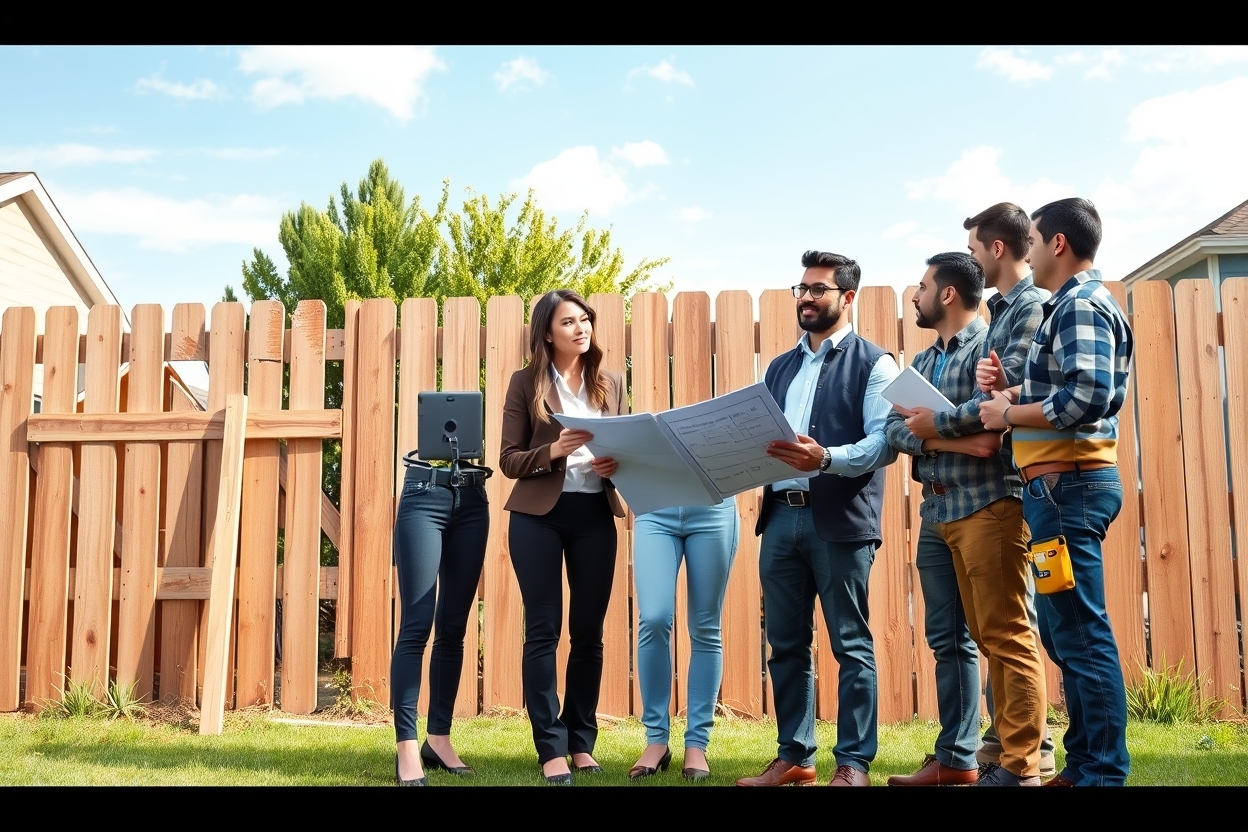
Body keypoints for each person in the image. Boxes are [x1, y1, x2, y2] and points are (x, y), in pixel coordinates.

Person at [979, 198, 1134, 787]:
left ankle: (1102, 771)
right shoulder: (1069, 308)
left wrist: (1006, 413)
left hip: (1069, 489)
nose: (1031, 249)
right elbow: (1067, 389)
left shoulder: (1080, 306)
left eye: (1036, 239)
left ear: (1058, 245)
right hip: (1058, 490)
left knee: (1079, 630)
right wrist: (1010, 390)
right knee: (1064, 628)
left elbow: (1085, 399)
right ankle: (1084, 763)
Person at [736, 250, 899, 788]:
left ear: (847, 297)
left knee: (850, 643)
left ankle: (853, 763)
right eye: (801, 289)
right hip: (780, 518)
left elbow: (884, 443)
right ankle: (795, 756)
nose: (806, 297)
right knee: (785, 643)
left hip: (841, 520)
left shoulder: (876, 363)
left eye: (818, 290)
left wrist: (825, 458)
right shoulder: (777, 367)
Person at [885, 252, 1046, 787]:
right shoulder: (927, 362)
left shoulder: (990, 349)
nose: (915, 295)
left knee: (1004, 633)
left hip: (988, 507)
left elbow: (990, 434)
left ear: (947, 294)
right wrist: (938, 432)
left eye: (923, 285)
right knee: (952, 638)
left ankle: (1020, 766)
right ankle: (962, 760)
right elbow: (894, 430)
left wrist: (932, 429)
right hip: (937, 511)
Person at [499, 289, 626, 785]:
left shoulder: (610, 382)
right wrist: (553, 450)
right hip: (537, 518)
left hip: (595, 512)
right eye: (569, 322)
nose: (581, 328)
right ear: (547, 333)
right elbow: (509, 460)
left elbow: (623, 443)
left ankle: (581, 741)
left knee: (589, 634)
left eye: (585, 320)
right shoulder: (524, 382)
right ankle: (549, 746)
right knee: (543, 631)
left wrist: (616, 464)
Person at [963, 202, 1055, 777]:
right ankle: (1005, 751)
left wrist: (995, 398)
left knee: (1009, 629)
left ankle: (1025, 764)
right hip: (1004, 482)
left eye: (974, 249)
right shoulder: (1002, 310)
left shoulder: (1030, 306)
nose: (971, 260)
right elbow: (1000, 390)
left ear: (997, 248)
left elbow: (1007, 404)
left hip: (1011, 488)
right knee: (991, 631)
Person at [390, 439, 492, 785]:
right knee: (416, 625)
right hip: (422, 495)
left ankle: (438, 740)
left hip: (474, 499)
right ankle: (406, 747)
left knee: (453, 628)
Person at [629, 499, 739, 781]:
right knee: (653, 619)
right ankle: (656, 740)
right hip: (655, 510)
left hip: (713, 511)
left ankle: (697, 744)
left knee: (705, 627)